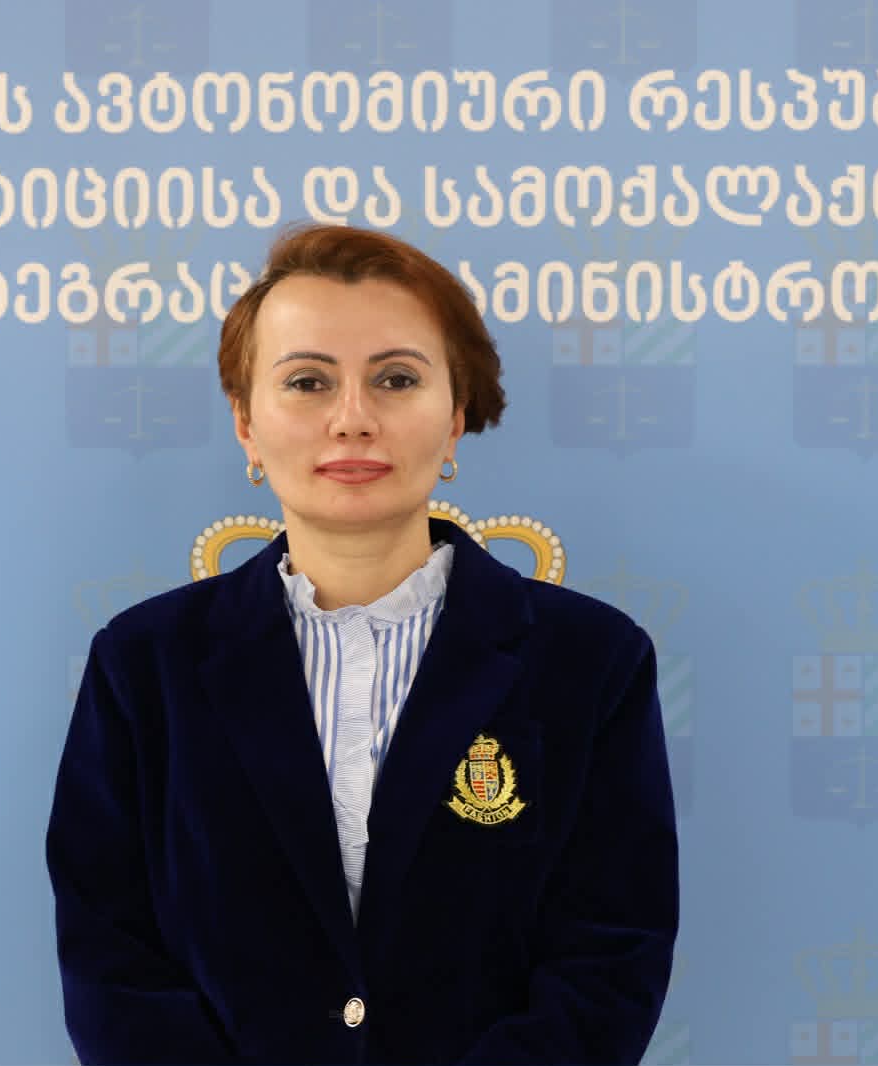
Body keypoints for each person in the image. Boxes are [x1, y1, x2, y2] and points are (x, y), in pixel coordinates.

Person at [45, 222, 679, 1064]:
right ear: (245, 422)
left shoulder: (591, 662)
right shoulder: (143, 665)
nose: (353, 419)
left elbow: (610, 953)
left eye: (396, 379)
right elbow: (111, 956)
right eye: (307, 381)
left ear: (455, 418)